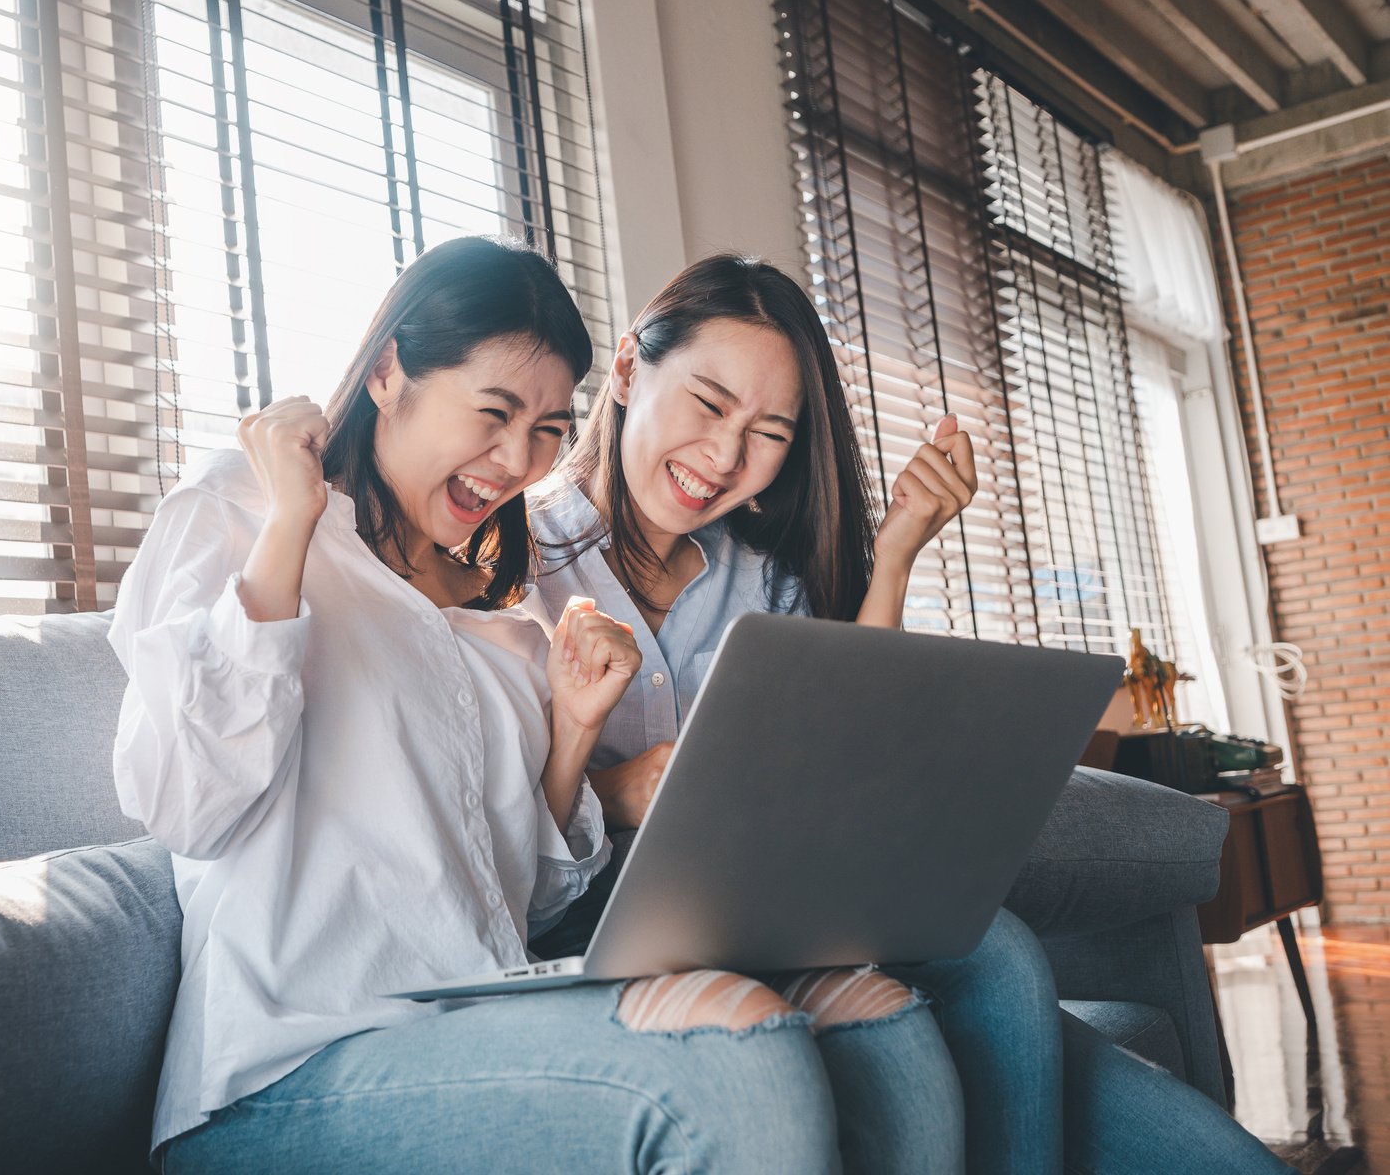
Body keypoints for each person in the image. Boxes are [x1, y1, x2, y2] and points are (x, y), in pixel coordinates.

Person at [109, 236, 967, 1174]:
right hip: (285, 1062)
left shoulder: (496, 613)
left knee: (889, 1039)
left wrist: (570, 737)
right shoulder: (242, 513)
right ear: (390, 371)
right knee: (742, 1059)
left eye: (549, 428)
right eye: (493, 411)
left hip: (479, 1016)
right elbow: (188, 805)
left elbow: (520, 904)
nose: (517, 458)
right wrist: (290, 530)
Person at [528, 252, 1290, 1175]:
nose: (726, 456)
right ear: (622, 371)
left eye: (769, 430)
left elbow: (845, 749)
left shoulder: (756, 575)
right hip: (603, 924)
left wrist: (892, 557)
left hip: (775, 904)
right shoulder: (511, 552)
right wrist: (617, 790)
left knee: (1018, 968)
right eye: (708, 402)